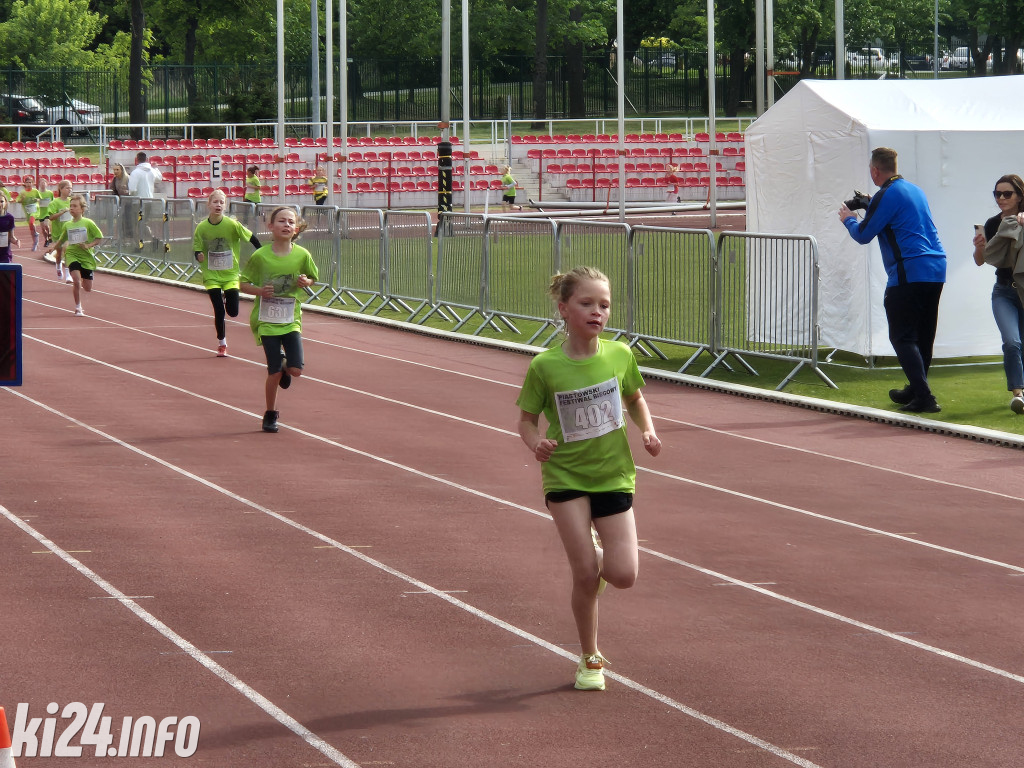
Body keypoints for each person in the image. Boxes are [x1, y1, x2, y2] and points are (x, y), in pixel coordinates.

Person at [516, 266, 661, 691]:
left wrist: (648, 430)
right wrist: (535, 443)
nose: (597, 312)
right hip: (564, 477)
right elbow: (525, 421)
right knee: (584, 573)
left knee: (622, 575)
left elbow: (635, 398)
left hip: (613, 476)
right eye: (586, 303)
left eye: (604, 304)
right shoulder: (545, 366)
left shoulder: (619, 355)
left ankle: (597, 542)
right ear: (564, 309)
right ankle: (589, 658)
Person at [838, 146, 946, 414]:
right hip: (935, 267)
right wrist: (870, 202)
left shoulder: (887, 194)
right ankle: (916, 387)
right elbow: (897, 216)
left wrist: (849, 219)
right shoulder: (913, 189)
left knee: (902, 336)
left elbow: (863, 234)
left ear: (875, 170)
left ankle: (924, 396)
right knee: (923, 335)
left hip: (909, 271)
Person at [239, 207, 319, 433]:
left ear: (296, 228)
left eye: (291, 222)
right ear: (270, 226)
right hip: (266, 320)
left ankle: (286, 364)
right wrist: (259, 291)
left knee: (296, 370)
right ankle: (270, 413)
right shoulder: (260, 256)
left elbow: (312, 277)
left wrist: (306, 281)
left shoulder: (302, 255)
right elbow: (242, 283)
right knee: (273, 371)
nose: (286, 225)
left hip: (291, 319)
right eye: (281, 221)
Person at [972, 174, 1024, 414]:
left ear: (1019, 195)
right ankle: (1018, 394)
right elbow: (980, 262)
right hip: (1003, 291)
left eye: (1007, 194)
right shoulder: (993, 223)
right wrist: (979, 247)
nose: (1001, 198)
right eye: (997, 194)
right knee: (1012, 342)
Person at [193, 189, 262, 357]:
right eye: (215, 202)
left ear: (226, 206)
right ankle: (222, 343)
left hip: (230, 274)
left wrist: (263, 253)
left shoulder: (232, 224)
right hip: (211, 275)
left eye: (222, 202)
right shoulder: (202, 228)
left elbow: (251, 237)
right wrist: (199, 255)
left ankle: (227, 297)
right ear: (208, 205)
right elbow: (197, 248)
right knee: (219, 310)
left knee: (233, 312)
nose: (218, 205)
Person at [56, 194, 104, 317]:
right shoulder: (67, 225)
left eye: (75, 206)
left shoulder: (88, 223)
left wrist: (88, 246)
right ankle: (78, 307)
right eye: (70, 206)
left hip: (86, 256)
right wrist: (51, 247)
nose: (71, 208)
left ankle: (83, 276)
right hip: (72, 254)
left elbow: (99, 238)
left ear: (82, 209)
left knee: (87, 288)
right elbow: (61, 240)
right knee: (76, 281)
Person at [43, 180, 74, 283]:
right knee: (59, 254)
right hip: (58, 233)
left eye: (71, 188)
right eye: (67, 188)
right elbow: (51, 217)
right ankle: (58, 267)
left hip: (69, 232)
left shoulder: (71, 201)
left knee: (67, 251)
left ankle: (68, 274)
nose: (70, 190)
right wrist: (61, 212)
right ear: (61, 189)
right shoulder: (55, 203)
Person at [16, 176, 43, 251]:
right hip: (27, 210)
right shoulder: (22, 192)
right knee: (31, 227)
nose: (28, 184)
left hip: (35, 209)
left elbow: (40, 199)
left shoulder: (35, 191)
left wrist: (37, 199)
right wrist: (22, 199)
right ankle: (35, 242)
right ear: (25, 183)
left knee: (31, 221)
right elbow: (17, 200)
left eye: (30, 182)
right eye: (27, 182)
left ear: (33, 183)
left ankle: (35, 235)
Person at [0, 195, 20, 263]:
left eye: (1, 201)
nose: (0, 204)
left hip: (5, 253)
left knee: (6, 272)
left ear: (5, 203)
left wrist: (16, 241)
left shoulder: (10, 218)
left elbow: (11, 237)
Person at [37, 178, 54, 246]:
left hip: (47, 212)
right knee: (43, 229)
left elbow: (53, 201)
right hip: (41, 212)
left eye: (44, 183)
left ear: (46, 184)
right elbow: (35, 202)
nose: (43, 185)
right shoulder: (38, 193)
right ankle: (46, 240)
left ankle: (49, 233)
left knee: (46, 224)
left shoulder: (50, 193)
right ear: (39, 185)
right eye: (41, 183)